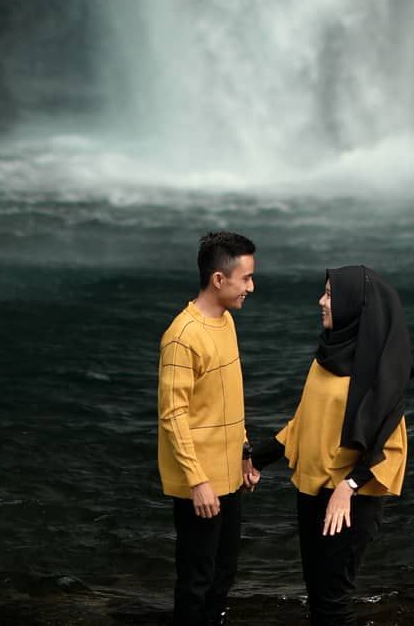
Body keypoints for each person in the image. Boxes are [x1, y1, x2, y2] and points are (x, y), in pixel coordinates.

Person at [249, 265, 414, 626]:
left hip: (349, 500)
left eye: (329, 295)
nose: (320, 301)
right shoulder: (327, 356)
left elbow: (390, 447)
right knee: (318, 598)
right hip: (312, 492)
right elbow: (305, 423)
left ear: (355, 306)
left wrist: (349, 486)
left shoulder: (378, 375)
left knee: (334, 602)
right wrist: (258, 457)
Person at [158, 230, 258, 626]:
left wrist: (246, 455)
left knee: (224, 574)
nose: (252, 286)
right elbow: (173, 415)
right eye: (246, 277)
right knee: (196, 579)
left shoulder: (227, 322)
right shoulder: (182, 336)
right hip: (201, 483)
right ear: (219, 279)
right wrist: (198, 481)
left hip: (230, 475)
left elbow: (228, 400)